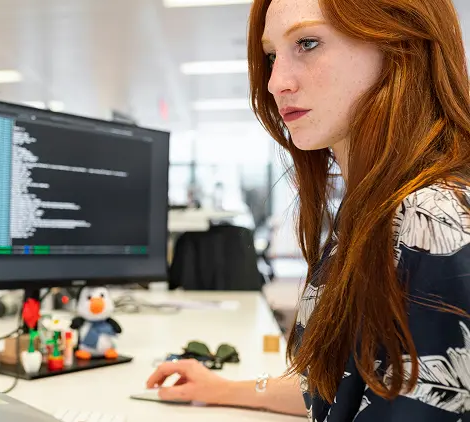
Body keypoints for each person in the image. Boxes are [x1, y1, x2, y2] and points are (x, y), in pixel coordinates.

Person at [146, 0, 470, 420]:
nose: (275, 82)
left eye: (308, 42)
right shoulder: (375, 209)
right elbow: (348, 388)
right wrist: (222, 387)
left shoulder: (431, 220)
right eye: (271, 56)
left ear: (400, 42)